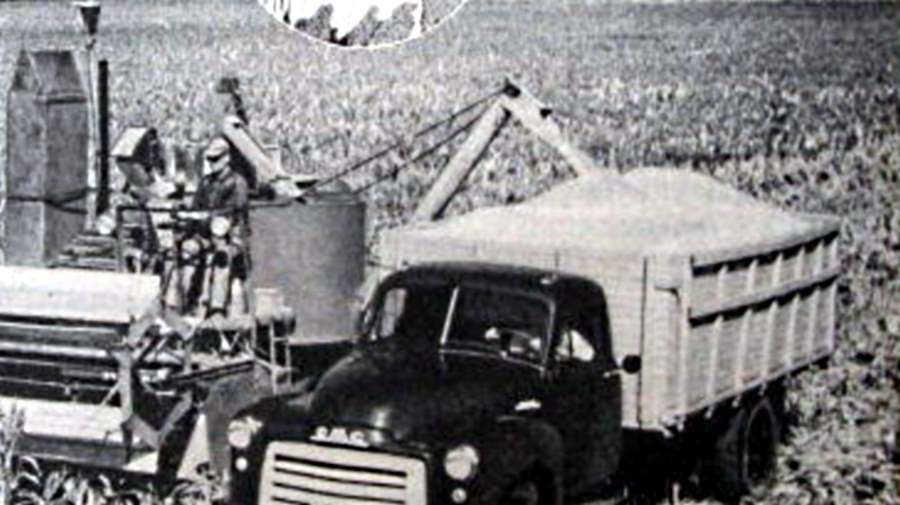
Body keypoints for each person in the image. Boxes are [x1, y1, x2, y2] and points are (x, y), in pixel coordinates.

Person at [166, 136, 250, 319]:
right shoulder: (206, 182)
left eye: (216, 159)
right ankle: (177, 304)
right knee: (186, 249)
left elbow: (235, 211)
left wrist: (213, 219)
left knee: (222, 257)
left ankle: (216, 309)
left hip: (231, 237)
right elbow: (196, 207)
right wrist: (184, 215)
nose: (212, 163)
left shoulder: (238, 182)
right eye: (209, 159)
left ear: (227, 158)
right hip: (204, 235)